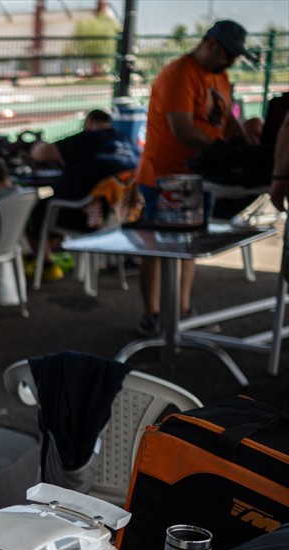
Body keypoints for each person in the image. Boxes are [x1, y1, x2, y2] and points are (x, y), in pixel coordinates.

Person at [134, 20, 254, 337]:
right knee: (159, 248)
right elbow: (182, 128)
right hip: (165, 177)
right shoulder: (178, 75)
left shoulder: (219, 75)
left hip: (199, 177)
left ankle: (182, 311)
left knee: (190, 245)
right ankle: (153, 315)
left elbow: (227, 120)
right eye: (229, 54)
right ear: (211, 44)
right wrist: (224, 150)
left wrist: (247, 149)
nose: (232, 61)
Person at [28, 109, 139, 278]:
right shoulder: (125, 140)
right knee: (50, 209)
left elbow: (40, 153)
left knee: (37, 212)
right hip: (118, 216)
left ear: (89, 123)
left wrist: (36, 144)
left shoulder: (88, 138)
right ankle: (46, 257)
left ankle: (45, 263)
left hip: (85, 217)